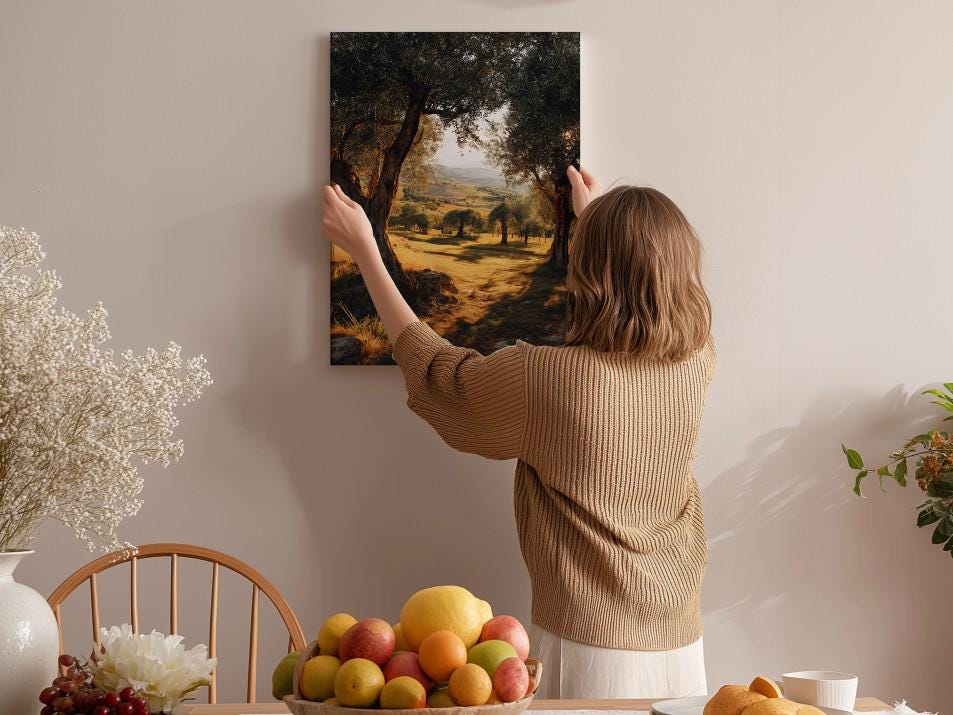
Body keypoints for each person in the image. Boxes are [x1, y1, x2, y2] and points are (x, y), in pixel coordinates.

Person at [321, 166, 715, 699]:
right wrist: (597, 222)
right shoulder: (697, 359)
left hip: (589, 646)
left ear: (588, 269)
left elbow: (441, 374)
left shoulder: (546, 377)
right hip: (682, 644)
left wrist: (365, 249)